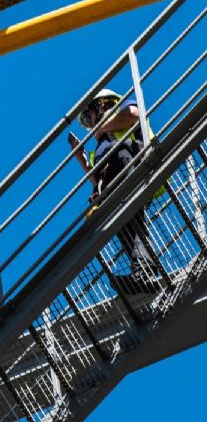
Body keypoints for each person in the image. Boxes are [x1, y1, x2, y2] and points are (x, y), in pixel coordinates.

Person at [69, 88, 160, 293]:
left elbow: (134, 115)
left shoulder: (121, 107)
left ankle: (144, 270)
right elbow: (97, 180)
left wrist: (103, 127)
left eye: (89, 116)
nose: (90, 124)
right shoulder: (100, 146)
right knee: (126, 226)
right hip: (114, 186)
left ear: (100, 105)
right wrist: (81, 158)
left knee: (131, 217)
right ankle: (142, 273)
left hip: (134, 166)